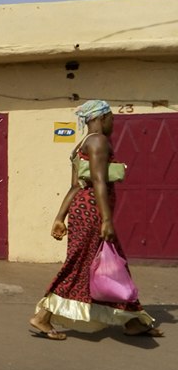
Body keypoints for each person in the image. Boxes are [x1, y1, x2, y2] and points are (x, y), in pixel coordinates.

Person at [29, 100, 162, 340]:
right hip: (93, 213)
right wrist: (107, 220)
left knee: (108, 264)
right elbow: (99, 181)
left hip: (84, 210)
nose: (113, 123)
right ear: (101, 118)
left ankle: (132, 321)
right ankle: (43, 317)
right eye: (111, 117)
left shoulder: (81, 144)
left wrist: (60, 217)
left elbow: (74, 187)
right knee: (86, 264)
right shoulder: (99, 141)